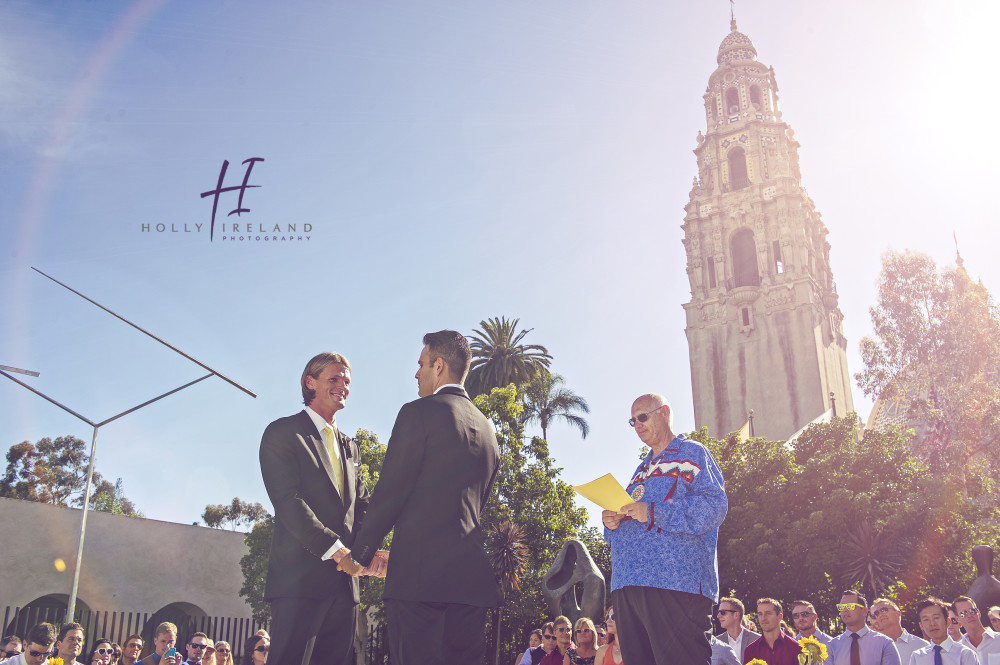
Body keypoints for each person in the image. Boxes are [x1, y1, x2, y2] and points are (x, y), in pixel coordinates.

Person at [344, 331, 503, 664]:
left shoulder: (418, 412)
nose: (417, 373)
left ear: (439, 366)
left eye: (422, 364)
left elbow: (390, 492)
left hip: (419, 584)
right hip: (471, 584)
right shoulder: (490, 432)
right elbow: (471, 509)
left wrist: (360, 555)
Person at [259, 352, 377, 665]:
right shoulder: (282, 433)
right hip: (299, 584)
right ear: (310, 382)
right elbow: (288, 501)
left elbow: (364, 506)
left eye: (347, 381)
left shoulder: (351, 446)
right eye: (334, 379)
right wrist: (340, 552)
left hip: (345, 589)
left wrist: (368, 552)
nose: (343, 386)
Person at [602, 393, 727, 665]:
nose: (638, 425)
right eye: (632, 421)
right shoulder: (640, 471)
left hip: (675, 585)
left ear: (665, 412)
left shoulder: (693, 453)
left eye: (643, 417)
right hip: (628, 587)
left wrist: (653, 511)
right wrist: (610, 523)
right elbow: (623, 527)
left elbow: (713, 506)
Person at [827, 591, 901, 665]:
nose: (845, 610)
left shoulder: (884, 643)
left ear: (865, 611)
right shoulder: (832, 646)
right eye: (841, 607)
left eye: (850, 606)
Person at [910, 597, 978, 664]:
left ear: (948, 621)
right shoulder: (917, 657)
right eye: (926, 619)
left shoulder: (965, 654)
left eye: (936, 618)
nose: (932, 623)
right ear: (921, 625)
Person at [870, 597, 928, 665]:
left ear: (898, 613)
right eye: (876, 614)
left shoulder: (922, 646)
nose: (880, 614)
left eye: (884, 610)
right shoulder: (869, 650)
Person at [743, 598, 802, 665]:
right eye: (760, 614)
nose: (763, 618)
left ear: (780, 617)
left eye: (768, 613)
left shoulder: (796, 648)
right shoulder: (751, 650)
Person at [953, 595, 1000, 663]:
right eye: (963, 613)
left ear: (978, 613)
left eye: (972, 611)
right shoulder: (957, 650)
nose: (969, 615)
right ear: (957, 619)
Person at [716, 597, 760, 663]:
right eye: (718, 612)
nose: (718, 616)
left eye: (723, 612)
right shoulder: (716, 642)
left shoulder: (757, 640)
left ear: (736, 615)